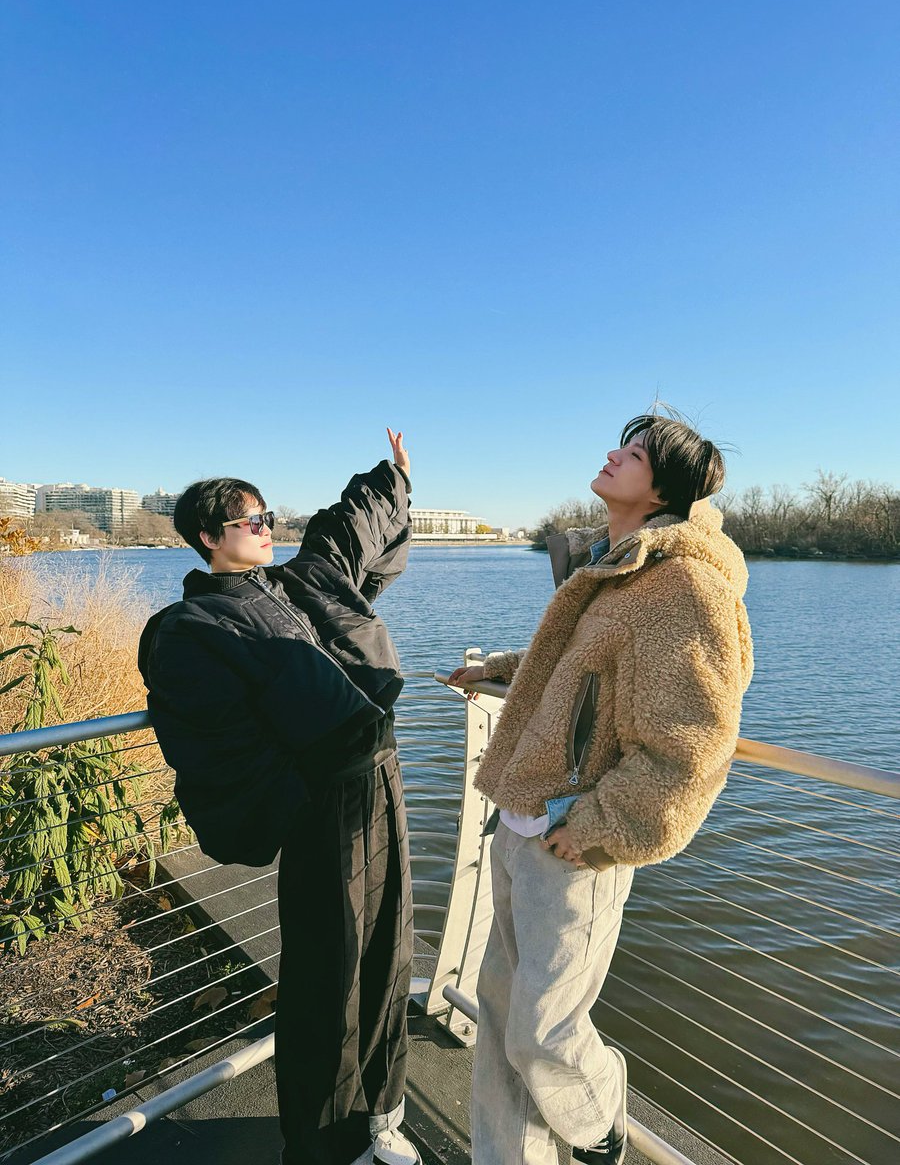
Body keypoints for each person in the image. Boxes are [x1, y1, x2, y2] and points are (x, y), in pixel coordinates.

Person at [449, 412, 754, 1165]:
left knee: (543, 1035)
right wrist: (497, 671)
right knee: (500, 1019)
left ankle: (597, 1127)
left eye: (636, 453)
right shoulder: (616, 564)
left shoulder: (684, 585)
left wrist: (600, 826)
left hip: (575, 841)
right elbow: (574, 665)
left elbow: (694, 743)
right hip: (521, 823)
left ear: (664, 491)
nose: (615, 454)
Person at [138, 429, 422, 1165]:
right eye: (251, 519)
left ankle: (382, 1115)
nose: (267, 527)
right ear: (209, 537)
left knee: (389, 956)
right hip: (324, 807)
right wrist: (302, 795)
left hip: (380, 785)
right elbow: (215, 740)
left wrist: (395, 476)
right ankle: (328, 1146)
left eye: (268, 516)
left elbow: (349, 527)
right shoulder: (193, 626)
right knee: (329, 973)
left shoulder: (304, 582)